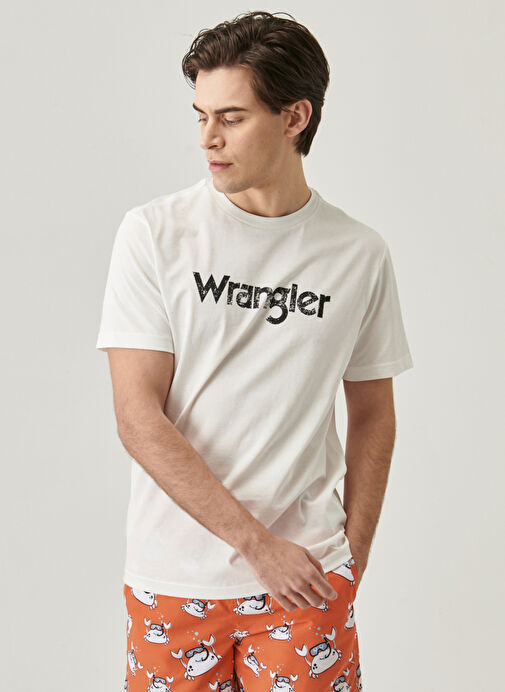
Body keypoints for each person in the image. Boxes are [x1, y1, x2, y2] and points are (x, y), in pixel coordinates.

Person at [95, 10, 413, 692]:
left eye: (231, 118)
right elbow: (137, 417)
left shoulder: (357, 254)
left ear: (294, 117)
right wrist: (256, 546)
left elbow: (373, 416)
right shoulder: (154, 234)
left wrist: (349, 562)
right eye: (201, 116)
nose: (207, 138)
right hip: (174, 583)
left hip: (306, 582)